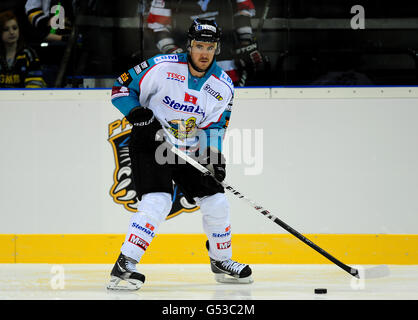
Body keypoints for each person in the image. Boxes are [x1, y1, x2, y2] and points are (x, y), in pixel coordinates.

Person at [107, 18, 252, 290]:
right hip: (151, 142)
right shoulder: (162, 66)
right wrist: (137, 113)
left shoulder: (223, 86)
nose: (204, 52)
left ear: (216, 49)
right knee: (158, 200)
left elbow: (216, 126)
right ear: (190, 45)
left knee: (217, 201)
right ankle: (124, 266)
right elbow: (120, 88)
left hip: (187, 150)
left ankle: (221, 261)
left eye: (210, 47)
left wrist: (214, 157)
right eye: (199, 46)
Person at [146, 0, 267, 87]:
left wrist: (246, 44)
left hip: (226, 63)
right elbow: (158, 27)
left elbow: (243, 13)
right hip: (186, 68)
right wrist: (174, 53)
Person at [0, 10, 46, 88]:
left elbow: (35, 83)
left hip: (24, 98)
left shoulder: (28, 54)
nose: (11, 32)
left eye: (15, 28)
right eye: (6, 29)